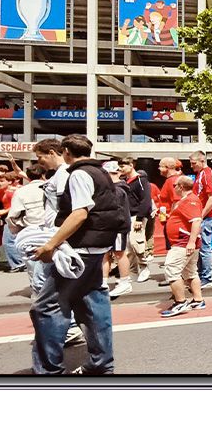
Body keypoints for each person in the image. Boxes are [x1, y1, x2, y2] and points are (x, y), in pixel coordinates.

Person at [30, 134, 128, 375]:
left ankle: (49, 370)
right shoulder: (101, 172)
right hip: (96, 249)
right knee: (92, 305)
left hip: (79, 250)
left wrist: (51, 245)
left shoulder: (78, 174)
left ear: (64, 152)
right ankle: (101, 364)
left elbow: (80, 213)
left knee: (46, 307)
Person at [158, 175, 206, 317]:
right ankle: (198, 299)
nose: (174, 188)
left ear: (181, 187)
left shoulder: (190, 201)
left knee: (171, 269)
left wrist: (191, 241)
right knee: (190, 272)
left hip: (183, 242)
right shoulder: (185, 201)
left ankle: (180, 302)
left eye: (175, 186)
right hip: (184, 241)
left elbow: (196, 221)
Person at [117, 156, 154, 284]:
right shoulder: (125, 181)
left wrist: (140, 217)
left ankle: (143, 266)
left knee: (136, 242)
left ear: (131, 165)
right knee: (127, 245)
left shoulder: (140, 181)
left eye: (123, 166)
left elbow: (145, 200)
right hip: (126, 215)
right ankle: (133, 270)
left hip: (136, 216)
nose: (120, 169)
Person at [101, 160, 134, 299]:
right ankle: (103, 281)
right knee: (107, 253)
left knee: (119, 252)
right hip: (112, 226)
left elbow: (116, 210)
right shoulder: (118, 188)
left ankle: (125, 281)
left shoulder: (117, 189)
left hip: (117, 226)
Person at [189, 151, 212, 287]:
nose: (191, 166)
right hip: (204, 215)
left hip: (208, 216)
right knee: (202, 246)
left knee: (204, 247)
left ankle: (207, 278)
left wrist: (201, 215)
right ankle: (203, 275)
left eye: (193, 163)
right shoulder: (201, 174)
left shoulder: (207, 175)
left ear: (202, 161)